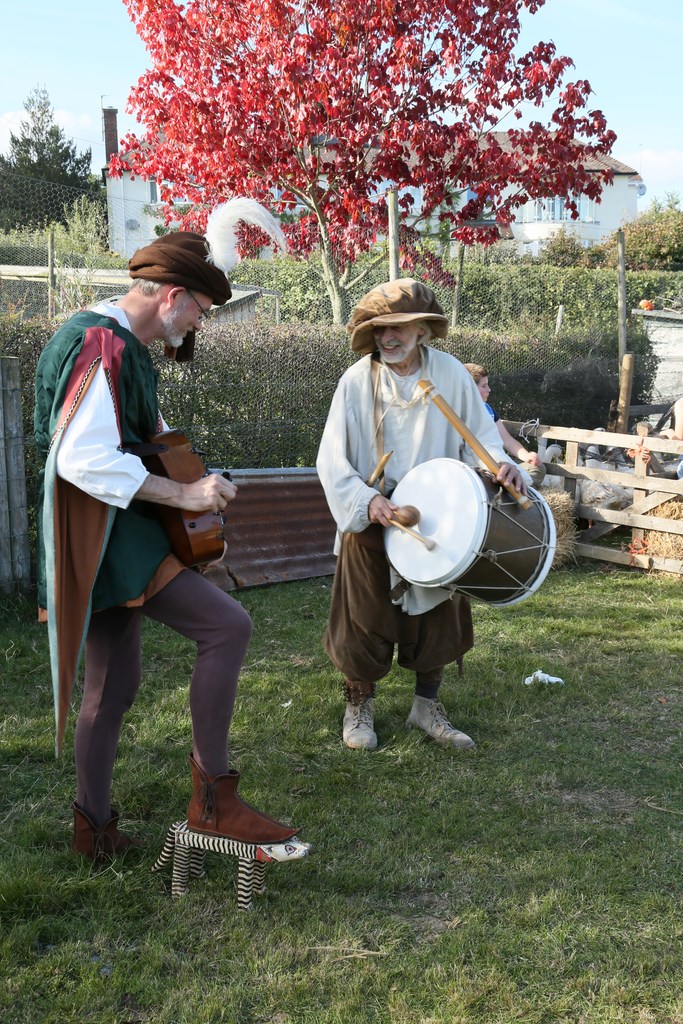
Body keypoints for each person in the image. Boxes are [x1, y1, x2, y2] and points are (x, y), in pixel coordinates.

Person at [34, 200, 300, 860]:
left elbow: (133, 445)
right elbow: (83, 458)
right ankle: (214, 803)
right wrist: (184, 492)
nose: (197, 327)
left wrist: (191, 520)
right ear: (175, 296)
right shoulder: (102, 342)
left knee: (113, 688)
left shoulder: (106, 339)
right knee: (226, 626)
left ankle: (92, 833)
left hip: (100, 537)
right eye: (200, 313)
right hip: (108, 538)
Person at [316, 278, 529, 752]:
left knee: (441, 611)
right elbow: (330, 459)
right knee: (362, 614)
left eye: (399, 328)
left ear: (422, 330)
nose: (388, 338)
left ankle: (426, 706)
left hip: (440, 514)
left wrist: (500, 466)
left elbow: (482, 439)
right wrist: (364, 500)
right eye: (380, 330)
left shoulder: (451, 374)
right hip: (374, 513)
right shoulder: (356, 381)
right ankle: (358, 706)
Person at [464, 363, 546, 487]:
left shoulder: (488, 410)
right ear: (470, 388)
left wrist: (526, 456)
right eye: (484, 386)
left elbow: (506, 439)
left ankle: (521, 487)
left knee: (538, 468)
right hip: (479, 469)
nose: (489, 390)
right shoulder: (459, 413)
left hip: (501, 463)